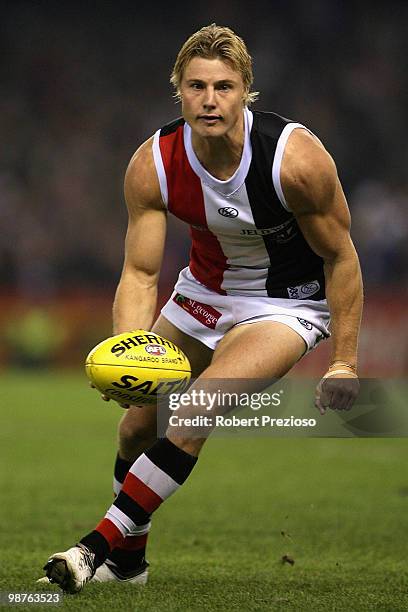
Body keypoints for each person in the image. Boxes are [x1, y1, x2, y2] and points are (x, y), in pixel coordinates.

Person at [40, 23, 363, 593]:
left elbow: (341, 257)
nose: (210, 100)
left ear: (246, 93)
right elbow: (140, 272)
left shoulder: (296, 161)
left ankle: (92, 550)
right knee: (136, 428)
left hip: (285, 306)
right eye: (196, 86)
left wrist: (345, 362)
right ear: (179, 91)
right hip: (202, 294)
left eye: (224, 86)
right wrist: (128, 349)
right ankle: (130, 566)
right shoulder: (154, 163)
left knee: (194, 412)